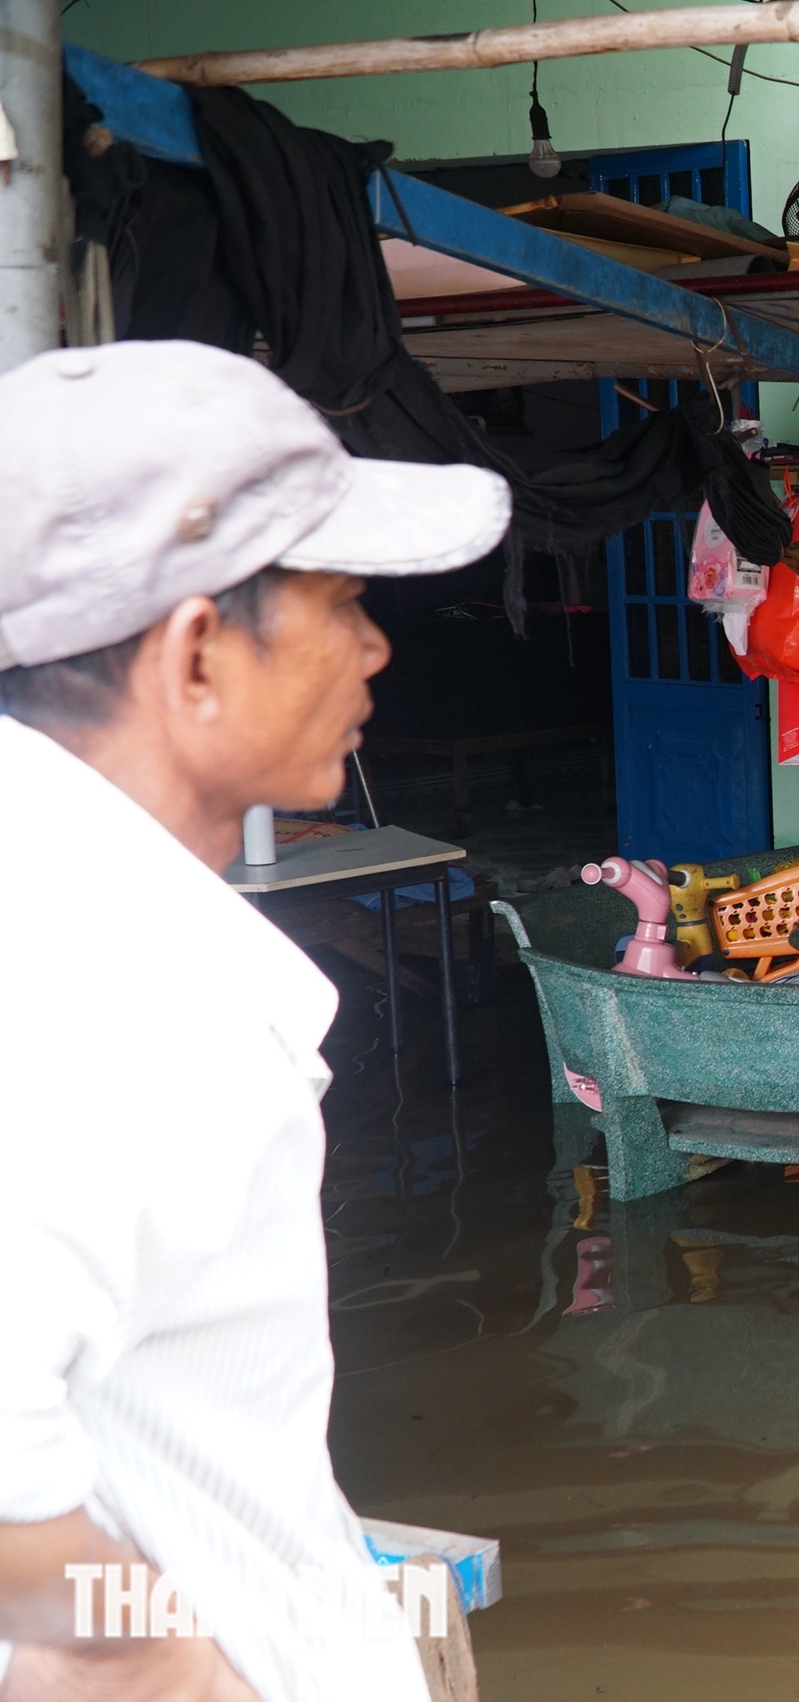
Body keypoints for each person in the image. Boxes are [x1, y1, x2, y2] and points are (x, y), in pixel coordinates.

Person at [0, 342, 509, 1701]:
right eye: (342, 599)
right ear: (198, 653)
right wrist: (170, 1665)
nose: (376, 643)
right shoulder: (117, 988)